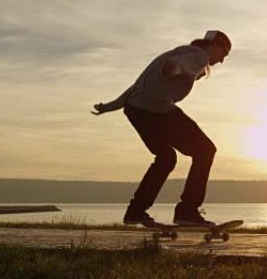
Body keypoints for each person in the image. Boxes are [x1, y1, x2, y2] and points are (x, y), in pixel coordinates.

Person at [91, 30, 231, 226]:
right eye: (224, 54)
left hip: (136, 110)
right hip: (157, 111)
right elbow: (181, 65)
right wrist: (174, 68)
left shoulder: (175, 53)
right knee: (205, 150)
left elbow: (137, 87)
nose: (222, 61)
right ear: (215, 46)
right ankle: (187, 211)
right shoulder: (198, 55)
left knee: (166, 158)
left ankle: (136, 211)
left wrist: (109, 106)